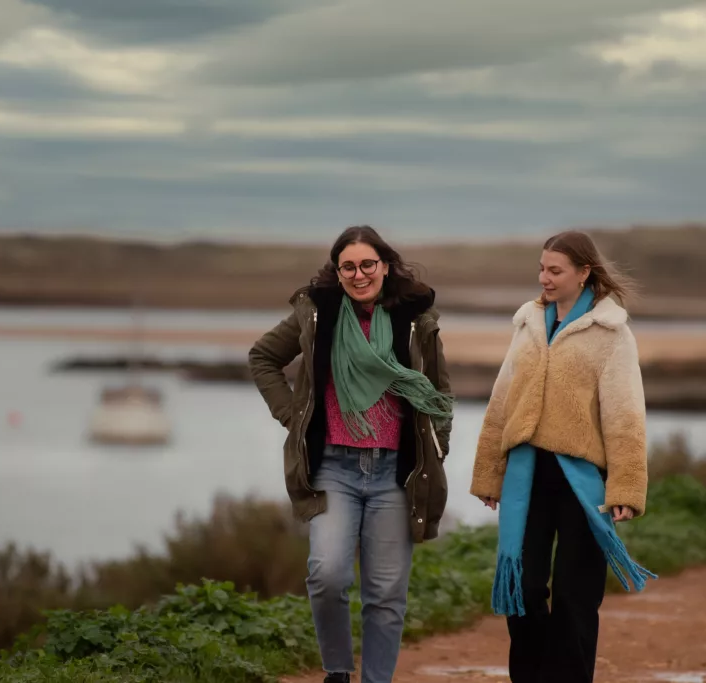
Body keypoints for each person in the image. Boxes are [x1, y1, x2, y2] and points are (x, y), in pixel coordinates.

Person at [248, 225, 454, 683]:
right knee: (328, 575)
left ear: (384, 265)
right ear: (337, 270)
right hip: (333, 469)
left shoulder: (415, 316)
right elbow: (262, 357)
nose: (359, 274)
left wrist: (437, 445)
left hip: (394, 473)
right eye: (349, 266)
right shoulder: (317, 313)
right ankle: (338, 670)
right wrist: (292, 415)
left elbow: (439, 390)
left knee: (385, 593)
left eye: (367, 264)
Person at [469, 230, 655, 683]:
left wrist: (626, 486)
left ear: (583, 272)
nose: (544, 278)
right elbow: (501, 402)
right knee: (526, 589)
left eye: (555, 270)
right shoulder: (529, 322)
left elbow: (626, 414)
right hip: (526, 476)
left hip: (582, 481)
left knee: (576, 597)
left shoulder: (612, 333)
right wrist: (489, 473)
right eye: (541, 268)